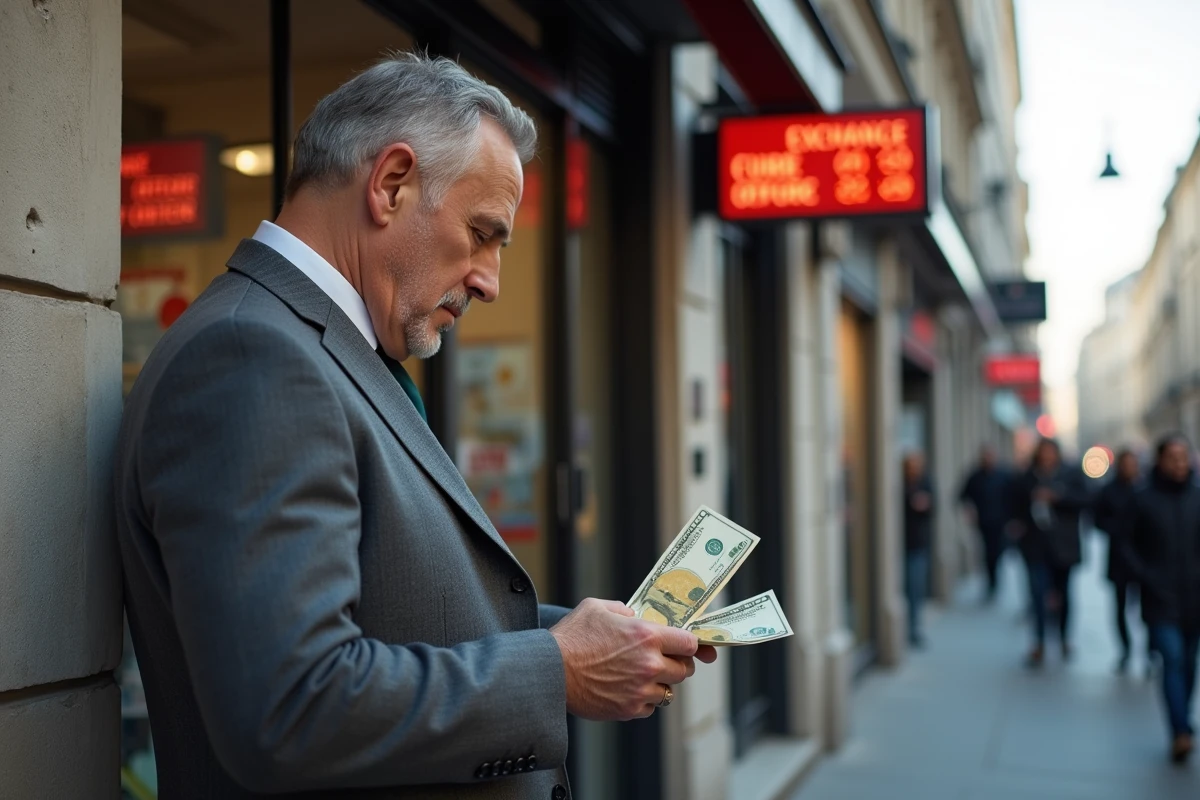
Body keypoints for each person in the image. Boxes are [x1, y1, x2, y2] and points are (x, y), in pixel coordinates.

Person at [113, 53, 715, 799]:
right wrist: (556, 669)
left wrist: (588, 641)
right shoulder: (251, 356)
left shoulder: (312, 349)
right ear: (391, 184)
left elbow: (396, 609)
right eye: (483, 232)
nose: (490, 280)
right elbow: (291, 707)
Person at [1125, 434, 1200, 764]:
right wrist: (1146, 575)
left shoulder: (1198, 498)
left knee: (1189, 662)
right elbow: (1125, 543)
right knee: (1171, 659)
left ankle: (1182, 717)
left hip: (1195, 598)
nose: (1179, 463)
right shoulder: (1143, 499)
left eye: (1184, 457)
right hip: (1159, 598)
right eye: (1173, 457)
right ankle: (1180, 731)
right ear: (1160, 461)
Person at [1010, 438, 1091, 667]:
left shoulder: (1071, 475)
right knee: (1037, 594)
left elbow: (1086, 500)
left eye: (1050, 453)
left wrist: (1058, 497)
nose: (1046, 458)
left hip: (1064, 547)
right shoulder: (1027, 478)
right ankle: (1039, 642)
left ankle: (1064, 637)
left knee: (1064, 595)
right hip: (1035, 546)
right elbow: (1013, 505)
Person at [1093, 449, 1142, 672]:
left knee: (1146, 606)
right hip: (1119, 558)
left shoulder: (1145, 489)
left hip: (1144, 558)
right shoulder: (1108, 491)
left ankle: (1151, 651)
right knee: (1120, 607)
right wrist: (1118, 529)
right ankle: (1126, 649)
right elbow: (1097, 520)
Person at [958, 445, 1013, 602]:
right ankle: (991, 582)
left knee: (999, 551)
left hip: (1001, 522)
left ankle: (995, 579)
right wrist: (970, 509)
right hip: (984, 522)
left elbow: (1014, 496)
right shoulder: (975, 476)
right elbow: (962, 495)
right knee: (988, 553)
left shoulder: (1004, 475)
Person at [903, 452, 935, 648]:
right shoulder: (902, 484)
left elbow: (934, 508)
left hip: (918, 544)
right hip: (901, 544)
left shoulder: (926, 483)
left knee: (915, 587)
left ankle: (913, 628)